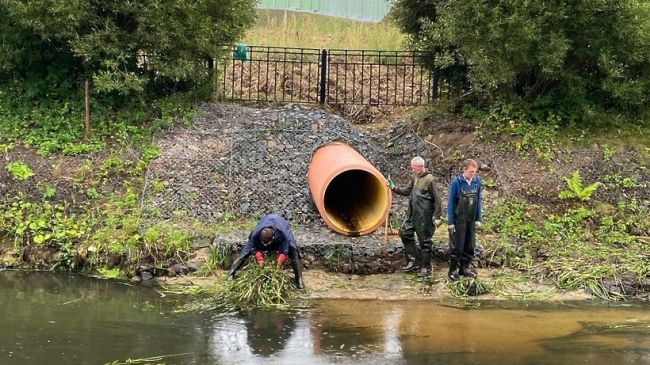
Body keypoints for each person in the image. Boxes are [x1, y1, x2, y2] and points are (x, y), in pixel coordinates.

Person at [388, 156, 442, 277]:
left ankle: (425, 267)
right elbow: (407, 191)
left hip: (425, 216)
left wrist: (437, 216)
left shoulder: (429, 179)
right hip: (412, 213)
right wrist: (394, 187)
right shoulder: (414, 177)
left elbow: (438, 200)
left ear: (420, 167)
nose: (412, 170)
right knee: (404, 232)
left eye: (414, 168)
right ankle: (413, 260)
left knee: (425, 242)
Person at [227, 213, 304, 289]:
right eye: (263, 243)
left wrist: (277, 267)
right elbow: (253, 246)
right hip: (265, 230)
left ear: (273, 237)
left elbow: (284, 251)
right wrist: (260, 259)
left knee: (293, 249)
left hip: (281, 231)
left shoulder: (283, 234)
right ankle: (231, 274)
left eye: (267, 243)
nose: (265, 246)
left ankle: (299, 280)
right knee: (246, 250)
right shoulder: (256, 233)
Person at [447, 159, 482, 281]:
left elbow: (478, 201)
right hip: (458, 220)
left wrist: (478, 218)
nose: (473, 174)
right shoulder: (456, 183)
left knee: (470, 246)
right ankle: (453, 271)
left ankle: (464, 268)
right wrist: (450, 222)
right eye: (471, 171)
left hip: (470, 219)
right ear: (464, 169)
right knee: (457, 247)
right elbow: (451, 203)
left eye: (475, 172)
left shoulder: (477, 182)